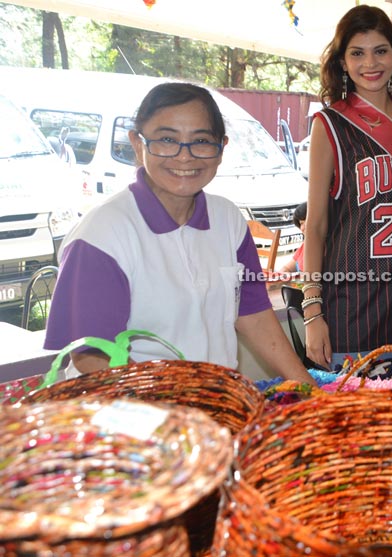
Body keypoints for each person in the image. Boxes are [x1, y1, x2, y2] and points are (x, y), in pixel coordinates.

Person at [44, 81, 315, 384]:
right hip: (123, 416)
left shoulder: (228, 220)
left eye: (200, 141)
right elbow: (93, 355)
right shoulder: (103, 234)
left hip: (210, 406)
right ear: (137, 143)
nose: (184, 156)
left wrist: (310, 390)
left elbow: (253, 314)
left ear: (220, 148)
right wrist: (178, 407)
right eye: (166, 139)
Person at [303, 5, 392, 370]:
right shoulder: (329, 125)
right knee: (355, 423)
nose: (370, 63)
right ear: (343, 62)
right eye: (357, 53)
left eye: (380, 50)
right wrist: (312, 312)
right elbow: (315, 227)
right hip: (351, 307)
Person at [278, 201, 306, 273]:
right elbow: (287, 268)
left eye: (307, 221)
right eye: (301, 223)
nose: (303, 227)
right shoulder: (305, 246)